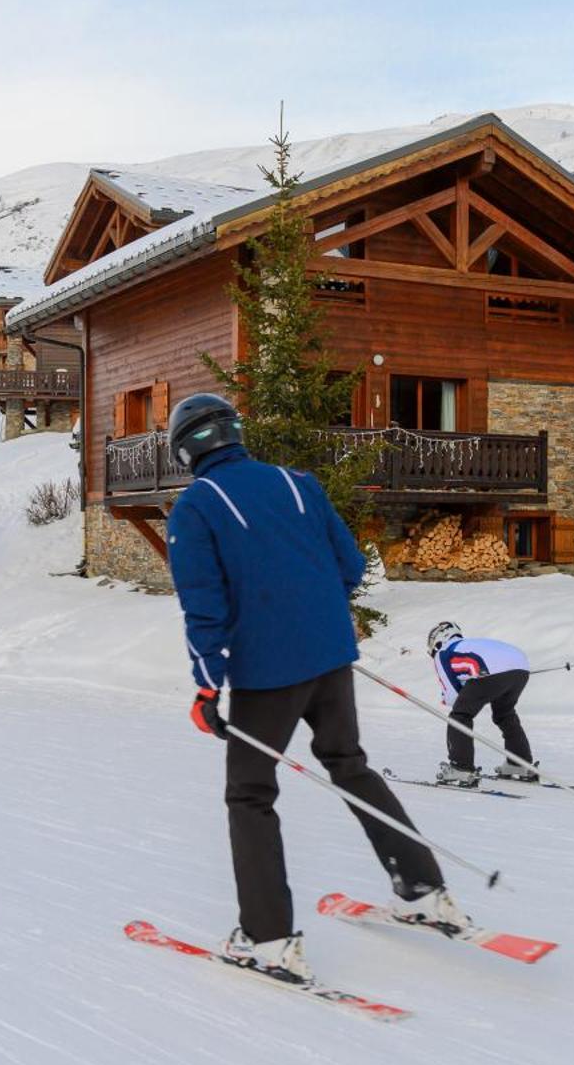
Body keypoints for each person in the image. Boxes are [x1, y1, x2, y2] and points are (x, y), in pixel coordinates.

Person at [165, 393, 466, 986]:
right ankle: (425, 890)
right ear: (235, 432)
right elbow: (351, 568)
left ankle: (268, 938)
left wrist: (207, 687)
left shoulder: (196, 506)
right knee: (350, 765)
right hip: (330, 658)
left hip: (267, 673)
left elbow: (204, 607)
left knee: (250, 794)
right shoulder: (299, 483)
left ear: (185, 450)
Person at [426, 622, 539, 787]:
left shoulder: (444, 652)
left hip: (490, 671)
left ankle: (461, 768)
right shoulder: (469, 644)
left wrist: (452, 697)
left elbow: (452, 696)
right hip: (521, 667)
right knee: (505, 714)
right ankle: (520, 764)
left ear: (437, 639)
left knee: (460, 715)